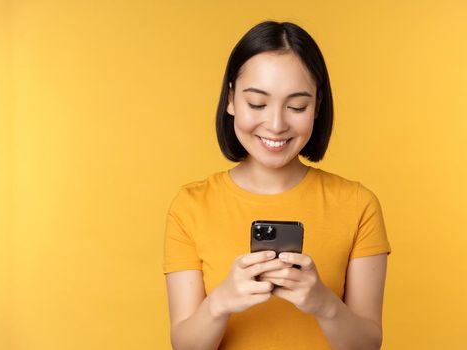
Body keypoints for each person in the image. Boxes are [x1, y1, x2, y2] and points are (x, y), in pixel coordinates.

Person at [163, 20, 391, 350]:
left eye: (297, 106)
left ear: (317, 106)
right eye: (257, 103)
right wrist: (220, 302)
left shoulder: (357, 204)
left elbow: (367, 345)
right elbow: (185, 345)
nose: (276, 124)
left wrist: (323, 303)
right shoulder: (191, 206)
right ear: (230, 99)